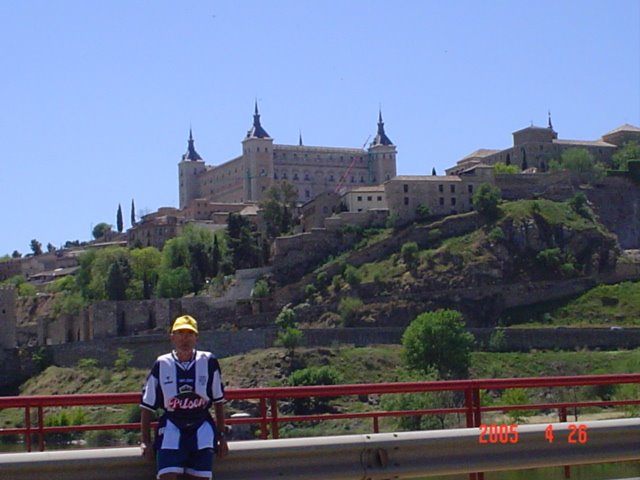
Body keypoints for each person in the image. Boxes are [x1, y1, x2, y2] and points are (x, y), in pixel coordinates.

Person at [140, 314, 228, 479]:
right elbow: (147, 405)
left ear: (196, 338)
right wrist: (145, 441)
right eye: (180, 334)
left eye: (189, 334)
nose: (184, 339)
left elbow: (218, 401)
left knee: (200, 477)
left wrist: (221, 436)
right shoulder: (162, 363)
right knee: (167, 475)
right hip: (172, 424)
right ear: (172, 337)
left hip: (201, 425)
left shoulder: (208, 361)